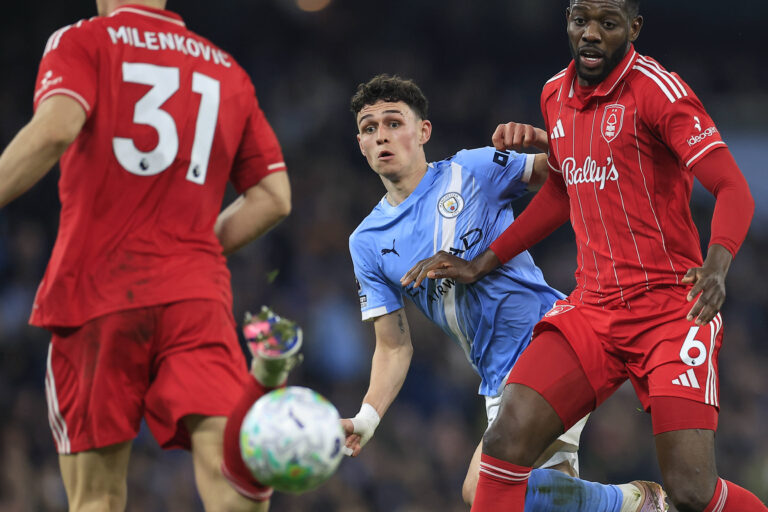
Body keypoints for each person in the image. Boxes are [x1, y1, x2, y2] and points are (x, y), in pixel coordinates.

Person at [401, 1, 766, 511]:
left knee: (691, 491)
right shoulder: (555, 94)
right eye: (580, 21)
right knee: (504, 443)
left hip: (671, 311)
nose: (591, 34)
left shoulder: (659, 91)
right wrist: (485, 260)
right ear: (568, 23)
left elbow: (733, 188)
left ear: (633, 28)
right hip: (593, 310)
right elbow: (560, 191)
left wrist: (718, 265)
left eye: (608, 23)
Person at [0, 1, 292, 510]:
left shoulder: (83, 40)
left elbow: (55, 128)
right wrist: (189, 248)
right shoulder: (226, 70)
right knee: (231, 484)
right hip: (195, 300)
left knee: (98, 498)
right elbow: (275, 197)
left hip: (97, 292)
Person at [344, 74, 666, 511]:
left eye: (393, 122)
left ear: (423, 132)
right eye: (369, 128)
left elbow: (580, 166)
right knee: (533, 497)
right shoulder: (366, 241)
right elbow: (393, 346)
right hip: (498, 377)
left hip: (550, 339)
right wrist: (367, 417)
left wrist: (544, 138)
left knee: (483, 492)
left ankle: (633, 503)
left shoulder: (471, 170)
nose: (381, 135)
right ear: (361, 145)